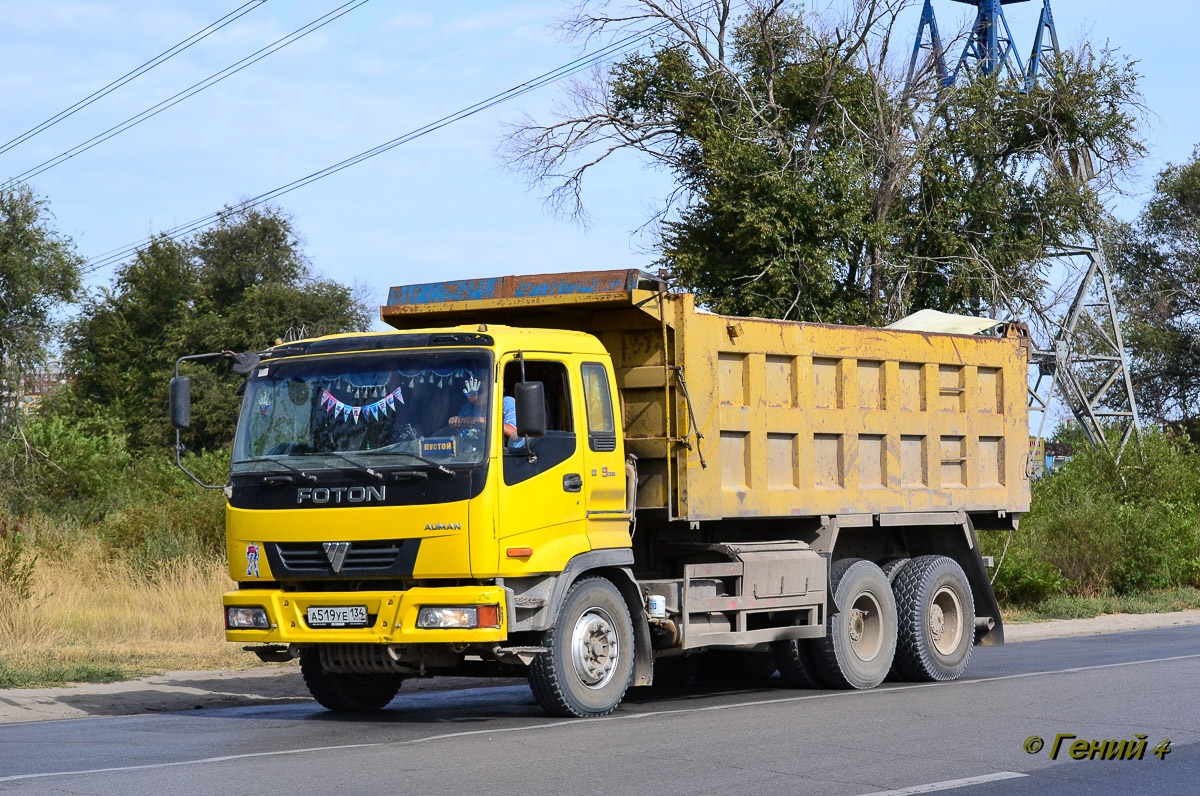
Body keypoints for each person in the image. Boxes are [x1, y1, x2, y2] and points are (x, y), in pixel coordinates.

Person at [449, 376, 522, 447]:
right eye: (469, 391)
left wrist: (481, 420)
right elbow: (459, 441)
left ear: (491, 389)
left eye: (479, 390)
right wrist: (456, 425)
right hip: (473, 455)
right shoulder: (466, 408)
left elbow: (515, 435)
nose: (474, 396)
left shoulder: (506, 403)